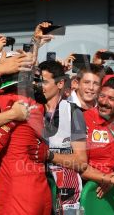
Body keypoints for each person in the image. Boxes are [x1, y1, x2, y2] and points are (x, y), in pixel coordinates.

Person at [38, 60, 87, 214]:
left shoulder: (74, 112)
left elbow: (81, 161)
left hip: (66, 193)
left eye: (44, 82)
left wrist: (49, 155)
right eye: (38, 81)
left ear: (60, 84)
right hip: (37, 188)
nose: (40, 86)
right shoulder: (30, 109)